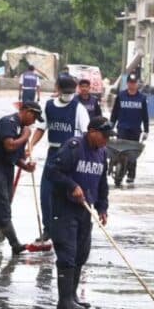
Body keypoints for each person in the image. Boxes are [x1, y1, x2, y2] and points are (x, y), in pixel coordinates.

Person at [44, 116, 111, 309]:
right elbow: (52, 171)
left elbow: (102, 183)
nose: (106, 141)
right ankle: (64, 301)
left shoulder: (102, 152)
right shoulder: (73, 147)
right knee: (67, 252)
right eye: (104, 136)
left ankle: (72, 296)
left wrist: (103, 208)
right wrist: (71, 186)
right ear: (92, 132)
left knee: (81, 252)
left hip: (85, 209)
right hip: (65, 208)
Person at [30, 74, 90, 242]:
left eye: (71, 91)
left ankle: (68, 230)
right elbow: (41, 128)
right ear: (57, 89)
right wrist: (31, 145)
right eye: (65, 91)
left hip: (71, 155)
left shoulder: (79, 109)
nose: (68, 95)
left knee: (68, 195)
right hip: (53, 154)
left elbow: (86, 135)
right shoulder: (48, 106)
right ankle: (48, 229)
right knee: (46, 194)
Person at [0, 102, 42, 255]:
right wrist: (25, 136)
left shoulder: (22, 130)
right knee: (3, 207)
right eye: (34, 116)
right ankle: (15, 244)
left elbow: (16, 157)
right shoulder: (8, 123)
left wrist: (27, 167)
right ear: (26, 111)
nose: (34, 121)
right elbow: (10, 146)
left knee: (0, 206)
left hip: (6, 168)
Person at [109, 72, 149, 185]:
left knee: (132, 153)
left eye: (134, 83)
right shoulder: (121, 96)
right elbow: (114, 113)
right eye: (130, 83)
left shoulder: (142, 98)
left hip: (135, 130)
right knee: (119, 151)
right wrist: (111, 126)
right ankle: (116, 168)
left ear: (137, 84)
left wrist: (146, 130)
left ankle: (131, 175)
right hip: (122, 128)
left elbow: (145, 116)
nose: (132, 85)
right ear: (127, 83)